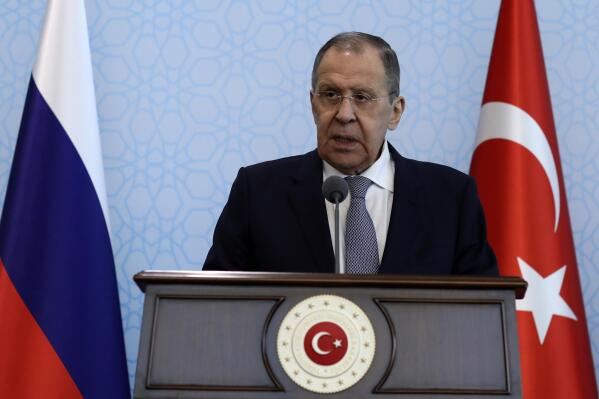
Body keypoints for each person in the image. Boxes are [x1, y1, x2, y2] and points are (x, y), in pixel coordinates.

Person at [203, 32, 498, 276]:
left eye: (362, 97)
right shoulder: (257, 191)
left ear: (395, 112)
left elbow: (480, 315)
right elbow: (216, 308)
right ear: (312, 104)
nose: (344, 114)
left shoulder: (451, 198)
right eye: (330, 94)